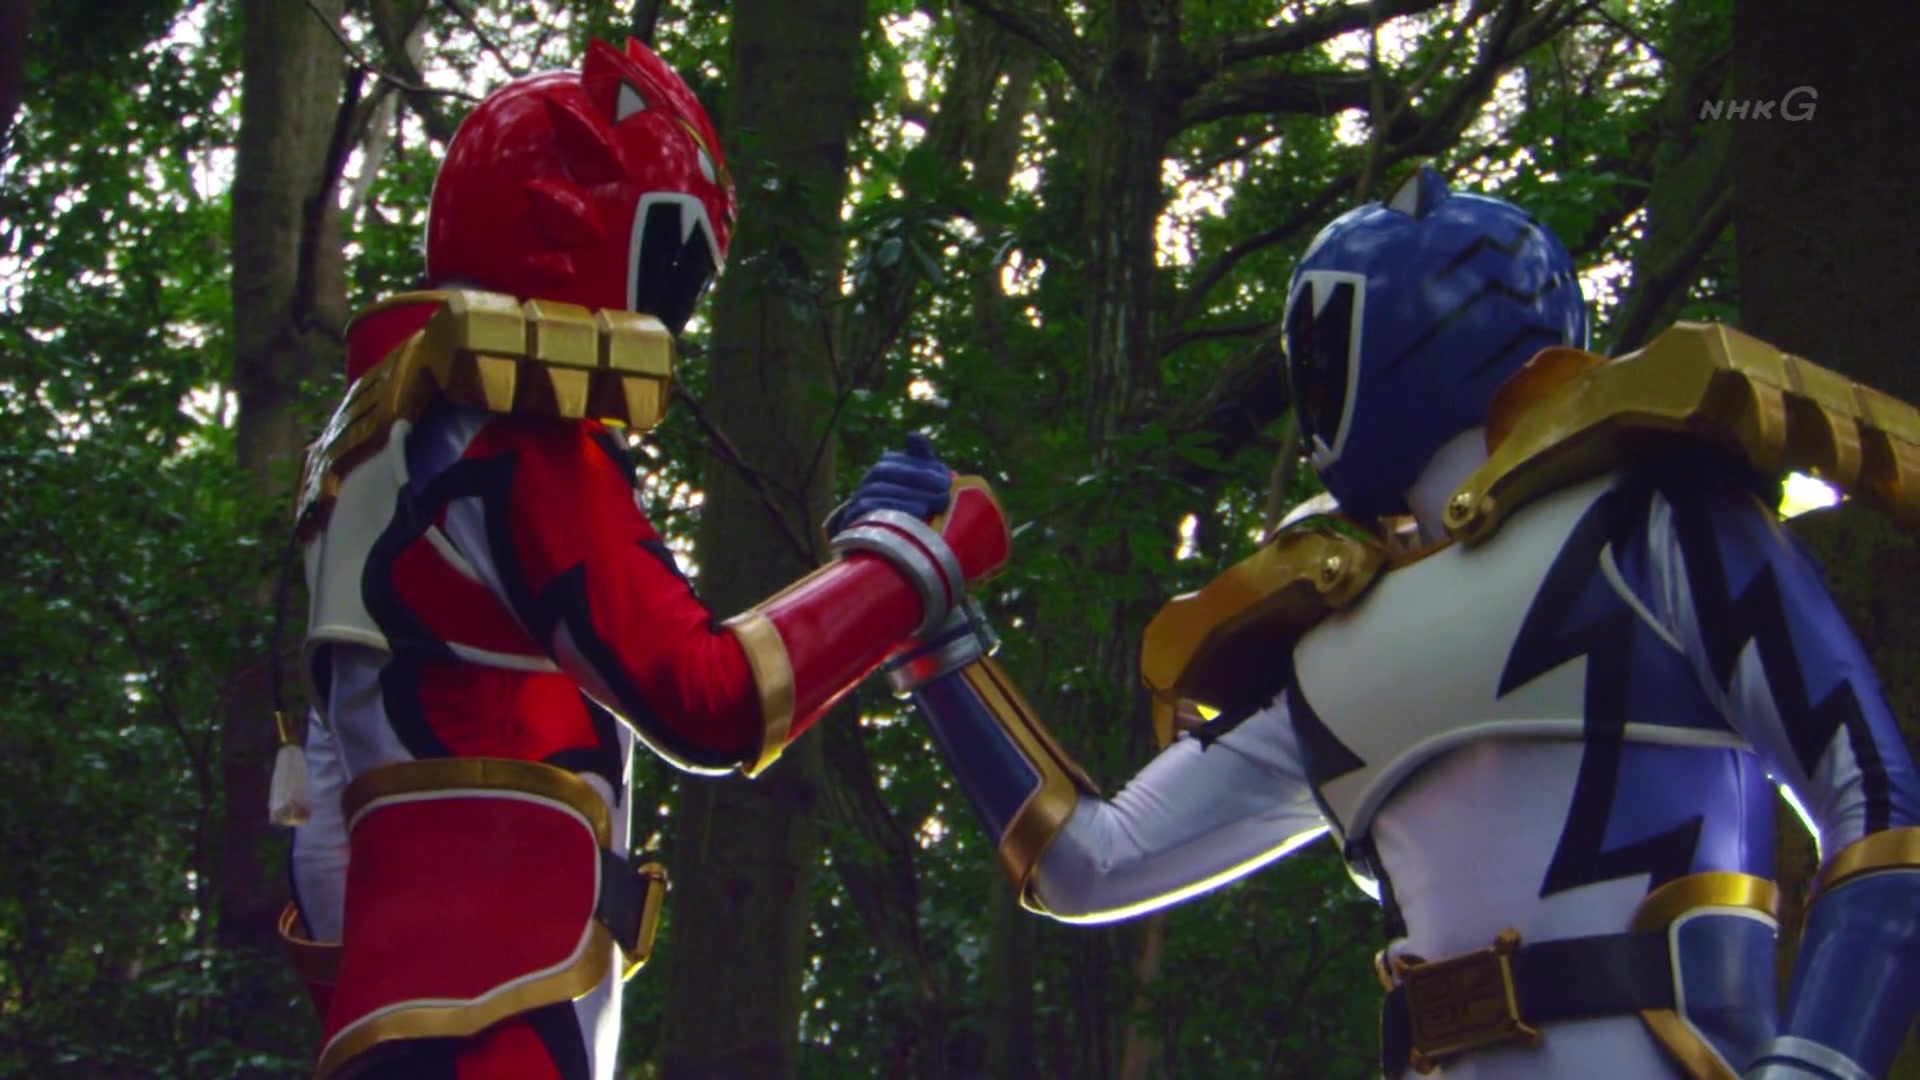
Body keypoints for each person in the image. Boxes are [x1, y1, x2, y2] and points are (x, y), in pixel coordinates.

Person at [892, 166, 1920, 1078]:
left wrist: (1818, 1065)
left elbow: (1882, 816)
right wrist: (933, 632)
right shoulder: (1339, 647)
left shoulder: (1652, 524)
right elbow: (1085, 867)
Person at [274, 38, 1006, 1079]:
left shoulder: (366, 456)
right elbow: (710, 698)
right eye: (672, 262)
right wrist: (915, 560)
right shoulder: (517, 441)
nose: (673, 309)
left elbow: (321, 839)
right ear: (571, 222)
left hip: (389, 1015)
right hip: (503, 1009)